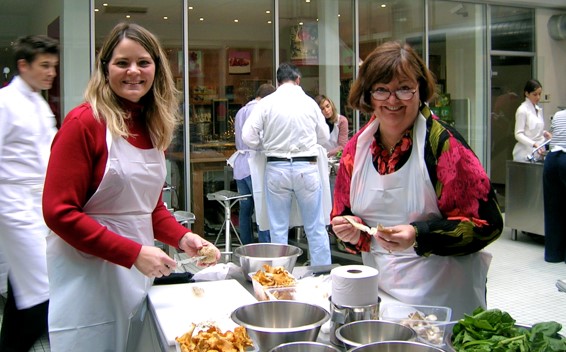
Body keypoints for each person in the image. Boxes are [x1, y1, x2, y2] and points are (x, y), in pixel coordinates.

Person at [42, 22, 220, 352]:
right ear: (105, 68)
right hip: (88, 274)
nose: (133, 71)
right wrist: (132, 252)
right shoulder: (84, 123)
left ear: (157, 68)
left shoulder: (153, 126)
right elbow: (57, 212)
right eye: (122, 63)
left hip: (135, 273)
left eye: (143, 62)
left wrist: (182, 237)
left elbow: (149, 208)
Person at [330, 41, 503, 319]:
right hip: (384, 296)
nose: (393, 99)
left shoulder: (442, 145)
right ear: (368, 95)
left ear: (420, 89)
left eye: (404, 88)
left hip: (445, 302)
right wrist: (351, 231)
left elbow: (488, 225)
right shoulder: (356, 149)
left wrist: (420, 235)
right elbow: (344, 215)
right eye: (381, 89)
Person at [0, 34, 59, 351]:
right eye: (45, 66)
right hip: (13, 207)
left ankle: (8, 342)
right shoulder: (4, 104)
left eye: (54, 66)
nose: (51, 73)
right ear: (23, 65)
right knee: (40, 290)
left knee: (22, 285)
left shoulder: (39, 103)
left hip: (39, 205)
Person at [242, 62, 332, 266]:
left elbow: (248, 136)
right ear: (298, 80)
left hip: (276, 167)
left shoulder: (266, 103)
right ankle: (323, 273)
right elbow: (324, 137)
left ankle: (281, 276)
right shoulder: (309, 103)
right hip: (306, 167)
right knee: (315, 227)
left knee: (278, 228)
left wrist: (264, 144)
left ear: (277, 81)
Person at [228, 83, 276, 244]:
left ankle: (246, 245)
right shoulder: (259, 110)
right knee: (262, 209)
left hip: (240, 165)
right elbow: (260, 139)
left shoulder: (241, 111)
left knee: (245, 209)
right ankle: (265, 246)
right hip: (255, 164)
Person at [543, 109, 566, 263]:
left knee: (553, 208)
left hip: (551, 160)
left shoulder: (558, 115)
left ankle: (553, 254)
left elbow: (554, 139)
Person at [513, 79, 547, 161]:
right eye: (535, 94)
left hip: (538, 151)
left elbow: (535, 130)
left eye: (539, 94)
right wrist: (533, 144)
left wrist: (545, 133)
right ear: (527, 94)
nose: (538, 97)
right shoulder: (522, 110)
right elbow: (518, 134)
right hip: (525, 153)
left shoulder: (538, 109)